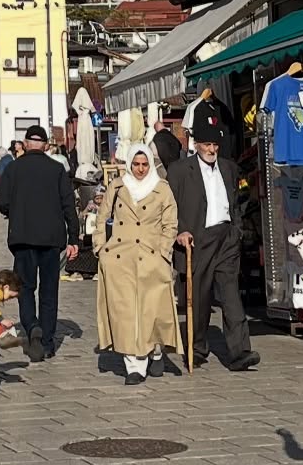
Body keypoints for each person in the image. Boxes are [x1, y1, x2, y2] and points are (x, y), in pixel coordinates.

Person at [168, 122, 259, 372]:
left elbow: (235, 201)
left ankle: (240, 351)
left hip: (226, 237)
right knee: (199, 297)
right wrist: (179, 231)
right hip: (198, 238)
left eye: (215, 145)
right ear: (196, 145)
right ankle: (197, 348)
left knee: (231, 296)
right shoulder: (179, 170)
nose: (211, 149)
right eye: (207, 144)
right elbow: (169, 207)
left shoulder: (228, 168)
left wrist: (236, 230)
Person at [97, 144, 183, 385]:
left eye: (145, 164)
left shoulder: (162, 189)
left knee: (151, 311)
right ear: (129, 164)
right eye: (136, 164)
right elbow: (102, 217)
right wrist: (100, 249)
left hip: (151, 257)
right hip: (120, 258)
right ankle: (134, 366)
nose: (140, 169)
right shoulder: (117, 187)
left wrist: (163, 251)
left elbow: (170, 223)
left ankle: (155, 351)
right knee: (125, 313)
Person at [0, 125, 80, 362]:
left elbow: (2, 202)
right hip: (51, 239)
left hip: (23, 237)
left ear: (25, 143)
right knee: (49, 291)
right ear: (45, 145)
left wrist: (17, 210)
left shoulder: (13, 168)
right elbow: (69, 205)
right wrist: (74, 238)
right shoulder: (57, 169)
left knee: (24, 288)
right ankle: (48, 343)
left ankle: (32, 325)